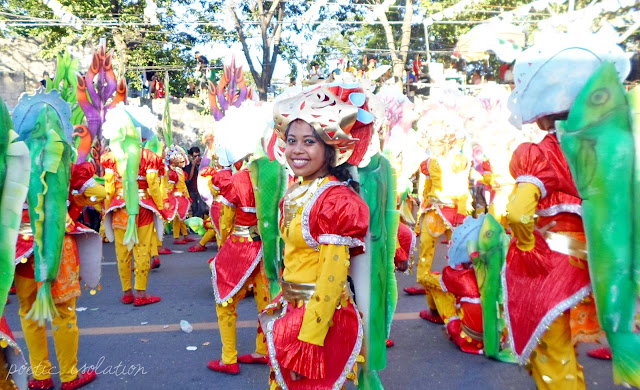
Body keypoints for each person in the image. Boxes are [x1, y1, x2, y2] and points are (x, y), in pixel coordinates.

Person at [503, 36, 630, 389]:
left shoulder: (539, 153)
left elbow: (517, 213)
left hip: (552, 266)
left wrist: (527, 247)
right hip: (600, 265)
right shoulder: (604, 150)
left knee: (554, 360)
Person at [260, 87, 371, 389]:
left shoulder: (335, 200)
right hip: (295, 311)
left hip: (321, 320)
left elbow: (331, 280)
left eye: (309, 142)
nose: (296, 150)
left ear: (330, 148)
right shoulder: (298, 190)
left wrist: (309, 341)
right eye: (292, 141)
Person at [15, 162, 104, 390]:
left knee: (29, 311)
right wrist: (73, 193)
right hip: (57, 246)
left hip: (23, 247)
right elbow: (98, 193)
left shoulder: (12, 162)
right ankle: (68, 376)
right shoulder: (61, 165)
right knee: (64, 312)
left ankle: (41, 376)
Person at [206, 104, 270, 375]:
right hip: (267, 247)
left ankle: (228, 358)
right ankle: (263, 350)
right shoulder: (276, 175)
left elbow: (225, 218)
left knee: (225, 300)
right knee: (267, 301)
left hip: (242, 245)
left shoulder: (238, 179)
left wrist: (223, 246)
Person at [103, 107, 167, 307]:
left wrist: (106, 208)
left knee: (122, 251)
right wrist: (161, 206)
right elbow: (153, 184)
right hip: (144, 208)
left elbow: (108, 186)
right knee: (142, 250)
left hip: (119, 208)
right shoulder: (148, 156)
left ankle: (127, 292)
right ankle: (141, 292)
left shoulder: (111, 157)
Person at [414, 129, 471, 324]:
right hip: (434, 213)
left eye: (436, 144)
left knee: (458, 265)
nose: (432, 148)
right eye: (431, 144)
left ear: (447, 143)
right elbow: (427, 189)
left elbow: (463, 190)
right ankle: (436, 308)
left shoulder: (458, 161)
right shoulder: (429, 163)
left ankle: (449, 311)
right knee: (424, 270)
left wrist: (462, 214)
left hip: (452, 214)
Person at [164, 146, 193, 244]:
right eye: (180, 162)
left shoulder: (181, 172)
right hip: (176, 198)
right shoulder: (173, 174)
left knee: (183, 217)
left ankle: (185, 235)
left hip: (182, 196)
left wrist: (188, 197)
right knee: (177, 218)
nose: (183, 163)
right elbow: (170, 187)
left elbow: (184, 185)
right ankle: (176, 237)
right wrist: (168, 199)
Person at [185, 146, 204, 218]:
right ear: (191, 156)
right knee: (194, 208)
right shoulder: (188, 165)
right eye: (195, 156)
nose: (197, 158)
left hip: (201, 190)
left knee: (202, 208)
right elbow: (189, 178)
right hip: (192, 190)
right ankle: (194, 225)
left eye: (199, 155)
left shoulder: (202, 163)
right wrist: (193, 166)